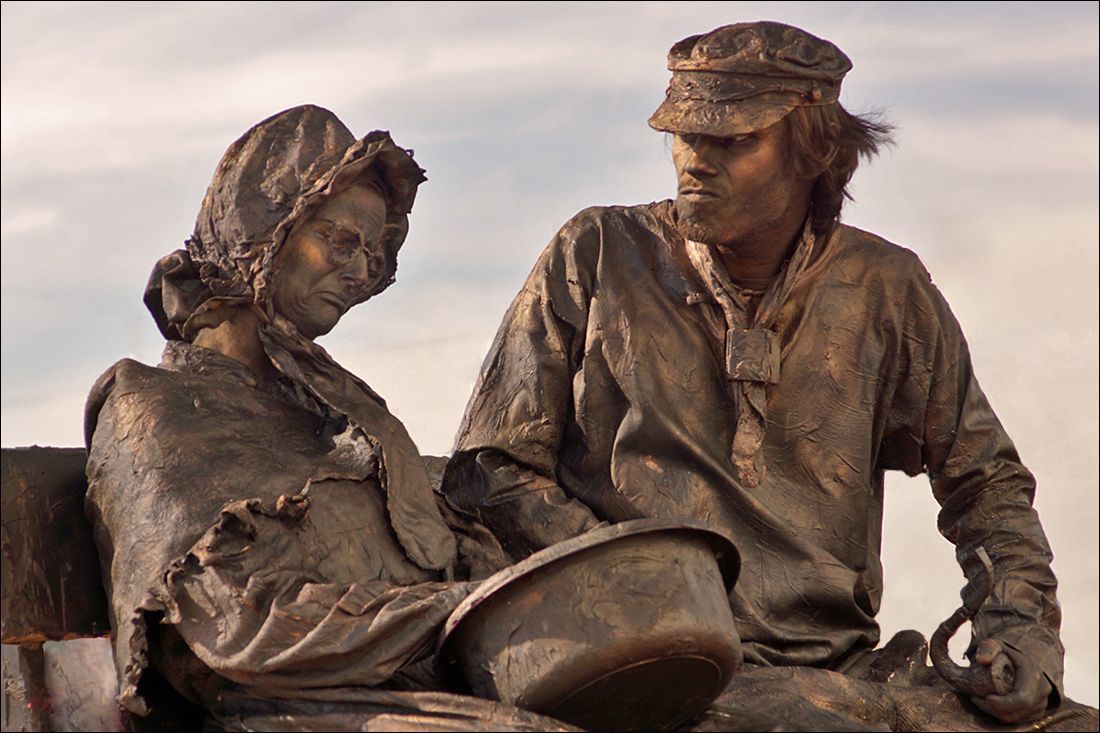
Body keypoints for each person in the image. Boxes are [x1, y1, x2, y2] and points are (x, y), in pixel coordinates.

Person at [443, 22, 1096, 731]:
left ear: (812, 153)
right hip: (640, 659)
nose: (694, 160)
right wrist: (653, 581)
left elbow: (988, 486)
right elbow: (488, 469)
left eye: (731, 142)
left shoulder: (887, 288)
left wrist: (1023, 630)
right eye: (684, 136)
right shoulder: (596, 252)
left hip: (834, 670)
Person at [83, 105, 568, 732]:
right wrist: (454, 614)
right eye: (341, 241)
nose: (362, 270)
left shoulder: (346, 414)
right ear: (265, 232)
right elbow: (224, 625)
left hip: (419, 692)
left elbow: (448, 554)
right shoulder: (151, 407)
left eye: (372, 252)